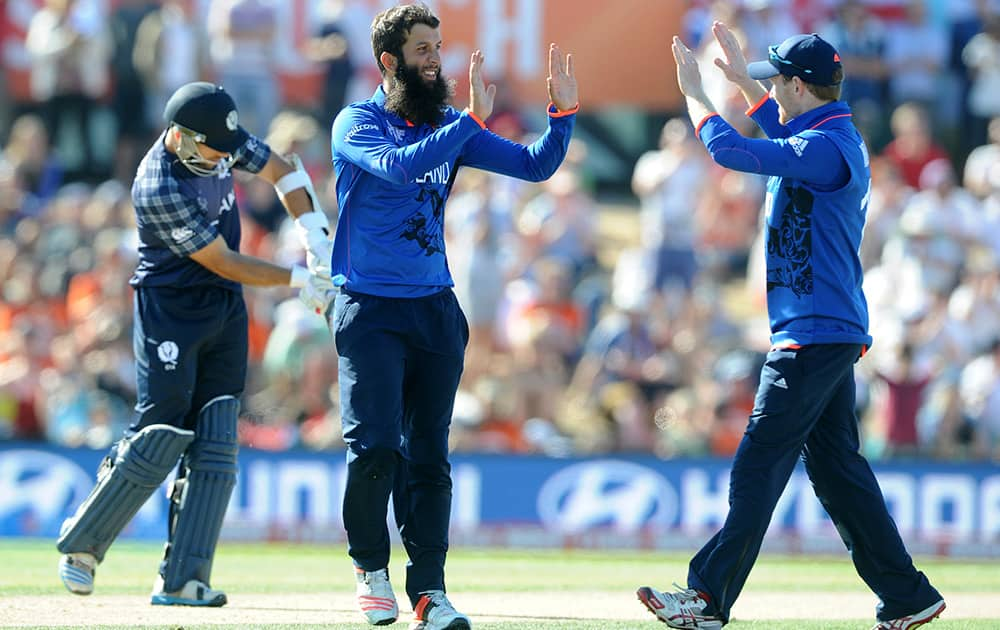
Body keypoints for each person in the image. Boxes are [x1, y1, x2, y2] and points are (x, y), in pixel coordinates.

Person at [635, 23, 946, 630]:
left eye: (776, 83)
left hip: (812, 331)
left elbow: (733, 151)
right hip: (822, 328)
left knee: (759, 462)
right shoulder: (826, 134)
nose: (771, 93)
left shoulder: (827, 147)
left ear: (800, 87)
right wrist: (740, 83)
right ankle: (908, 596)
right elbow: (777, 132)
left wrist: (695, 93)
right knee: (837, 470)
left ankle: (706, 597)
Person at [327, 5, 577, 629]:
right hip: (371, 307)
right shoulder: (356, 122)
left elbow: (535, 166)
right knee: (376, 446)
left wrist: (563, 116)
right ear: (389, 60)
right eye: (421, 49)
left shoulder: (448, 124)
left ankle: (429, 593)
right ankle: (370, 572)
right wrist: (467, 121)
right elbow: (398, 167)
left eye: (437, 45)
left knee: (430, 455)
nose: (435, 57)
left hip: (436, 310)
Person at [55, 81, 335, 606]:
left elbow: (281, 169)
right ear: (180, 136)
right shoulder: (156, 184)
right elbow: (222, 260)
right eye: (213, 150)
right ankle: (83, 545)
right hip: (172, 311)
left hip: (225, 307)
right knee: (161, 431)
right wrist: (301, 281)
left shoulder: (217, 137)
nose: (224, 159)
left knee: (218, 440)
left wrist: (315, 236)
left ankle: (183, 578)